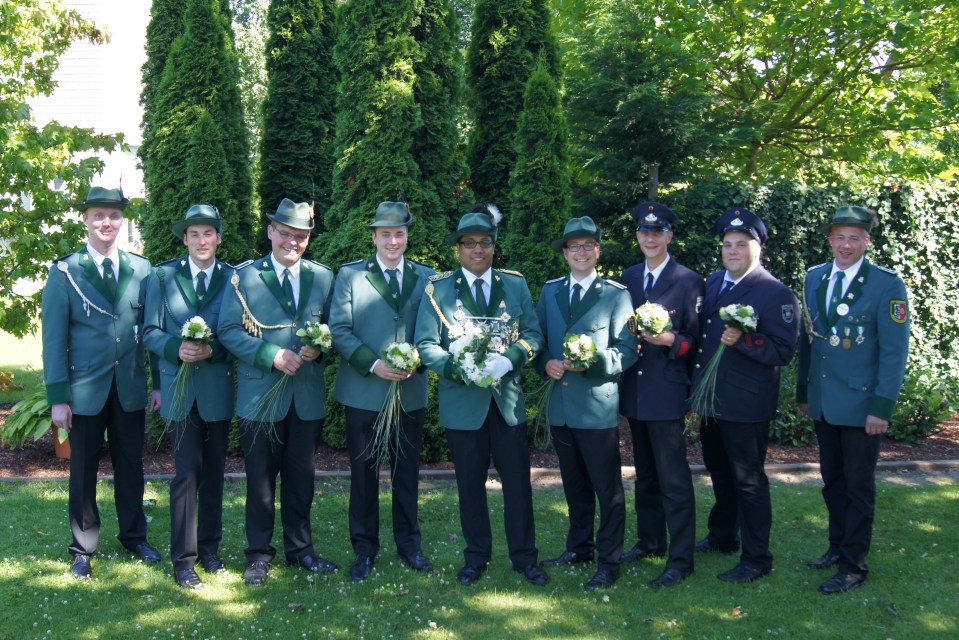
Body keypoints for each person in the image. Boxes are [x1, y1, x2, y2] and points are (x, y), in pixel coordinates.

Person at [414, 205, 548, 587]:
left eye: (485, 242)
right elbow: (426, 344)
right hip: (463, 403)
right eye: (469, 243)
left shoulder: (515, 284)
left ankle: (525, 558)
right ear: (458, 248)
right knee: (469, 486)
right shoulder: (438, 289)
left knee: (518, 484)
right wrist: (459, 369)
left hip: (506, 404)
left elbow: (533, 334)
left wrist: (509, 361)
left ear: (494, 246)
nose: (478, 249)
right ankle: (475, 558)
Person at [41, 185, 162, 579]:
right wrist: (58, 397)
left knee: (131, 466)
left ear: (122, 220)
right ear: (86, 219)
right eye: (98, 215)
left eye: (113, 215)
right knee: (83, 470)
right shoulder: (65, 272)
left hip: (129, 386)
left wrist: (158, 383)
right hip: (84, 391)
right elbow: (53, 340)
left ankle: (134, 536)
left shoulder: (141, 269)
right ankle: (83, 547)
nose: (106, 222)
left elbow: (152, 331)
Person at [218, 198, 336, 587]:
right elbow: (228, 330)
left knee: (302, 479)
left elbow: (334, 329)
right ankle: (258, 554)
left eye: (301, 236)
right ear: (271, 231)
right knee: (261, 481)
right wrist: (271, 355)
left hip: (305, 397)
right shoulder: (244, 277)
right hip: (260, 396)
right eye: (285, 233)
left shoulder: (323, 277)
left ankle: (301, 550)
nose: (292, 242)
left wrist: (319, 349)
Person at [796, 205, 909, 595]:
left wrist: (882, 407)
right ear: (830, 240)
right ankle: (836, 546)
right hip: (824, 401)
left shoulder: (885, 284)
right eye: (840, 237)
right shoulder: (815, 277)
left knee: (858, 487)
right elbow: (809, 338)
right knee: (833, 482)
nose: (846, 245)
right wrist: (803, 391)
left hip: (862, 406)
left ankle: (853, 565)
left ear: (866, 241)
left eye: (854, 238)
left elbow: (894, 351)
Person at [691, 207, 799, 583]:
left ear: (758, 248)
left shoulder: (775, 292)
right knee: (720, 473)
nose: (733, 250)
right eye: (727, 244)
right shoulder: (714, 282)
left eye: (741, 244)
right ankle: (723, 535)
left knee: (748, 481)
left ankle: (757, 558)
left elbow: (783, 351)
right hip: (712, 401)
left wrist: (743, 340)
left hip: (746, 404)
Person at [329, 201, 436, 582]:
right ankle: (364, 549)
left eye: (399, 234)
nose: (393, 241)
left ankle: (409, 545)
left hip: (409, 390)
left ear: (407, 237)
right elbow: (339, 330)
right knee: (364, 474)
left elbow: (436, 329)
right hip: (364, 390)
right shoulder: (351, 275)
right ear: (374, 237)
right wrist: (374, 364)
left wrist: (416, 361)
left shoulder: (427, 277)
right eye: (385, 234)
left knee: (407, 472)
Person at [536, 217, 637, 590]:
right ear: (565, 253)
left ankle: (609, 561)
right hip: (561, 408)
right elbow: (537, 338)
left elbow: (627, 351)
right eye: (574, 246)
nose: (581, 252)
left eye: (588, 245)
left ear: (598, 251)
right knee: (574, 485)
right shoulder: (550, 292)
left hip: (596, 407)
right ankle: (579, 548)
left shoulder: (616, 295)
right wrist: (544, 362)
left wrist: (593, 362)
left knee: (606, 489)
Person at [143, 204, 234, 588]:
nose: (201, 240)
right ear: (185, 239)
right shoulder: (163, 277)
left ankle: (209, 549)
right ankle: (183, 560)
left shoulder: (232, 278)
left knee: (214, 474)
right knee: (186, 474)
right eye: (194, 234)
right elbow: (149, 331)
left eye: (208, 233)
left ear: (218, 238)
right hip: (179, 390)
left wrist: (215, 350)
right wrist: (174, 349)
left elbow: (240, 332)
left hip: (217, 389)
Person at [619, 202, 703, 588]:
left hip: (667, 390)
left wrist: (670, 340)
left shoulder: (688, 280)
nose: (650, 238)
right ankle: (650, 540)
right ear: (637, 237)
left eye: (657, 232)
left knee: (673, 479)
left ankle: (681, 559)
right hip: (635, 389)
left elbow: (696, 341)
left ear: (669, 236)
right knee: (645, 475)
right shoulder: (629, 277)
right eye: (644, 232)